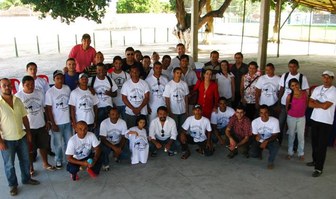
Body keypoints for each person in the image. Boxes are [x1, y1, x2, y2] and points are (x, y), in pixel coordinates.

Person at [0, 78, 40, 196]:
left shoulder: (17, 100)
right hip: (7, 140)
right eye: (4, 85)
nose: (7, 87)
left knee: (25, 160)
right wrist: (0, 141)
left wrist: (28, 132)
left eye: (9, 85)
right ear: (0, 87)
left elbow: (24, 118)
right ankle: (13, 185)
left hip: (21, 137)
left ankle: (26, 179)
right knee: (9, 164)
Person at [16, 76, 56, 174]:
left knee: (43, 146)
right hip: (27, 128)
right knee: (29, 150)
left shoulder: (39, 93)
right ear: (23, 85)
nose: (30, 86)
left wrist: (48, 121)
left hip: (41, 125)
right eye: (27, 85)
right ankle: (31, 168)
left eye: (32, 84)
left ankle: (45, 163)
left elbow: (45, 108)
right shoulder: (18, 96)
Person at [306, 71, 336, 177]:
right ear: (322, 78)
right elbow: (309, 103)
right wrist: (321, 104)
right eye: (324, 77)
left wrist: (316, 103)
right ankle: (315, 160)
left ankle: (319, 168)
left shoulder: (333, 91)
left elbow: (326, 106)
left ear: (332, 79)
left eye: (328, 78)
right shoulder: (317, 89)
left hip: (326, 121)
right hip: (315, 119)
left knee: (322, 145)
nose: (326, 80)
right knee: (314, 143)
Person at [45, 70, 72, 169]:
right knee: (58, 144)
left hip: (67, 121)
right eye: (57, 78)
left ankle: (69, 159)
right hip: (57, 122)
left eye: (61, 78)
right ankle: (58, 160)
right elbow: (48, 109)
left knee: (69, 142)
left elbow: (70, 104)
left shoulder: (67, 88)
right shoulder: (50, 92)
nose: (60, 80)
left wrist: (71, 119)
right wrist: (52, 123)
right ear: (54, 79)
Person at [278, 59, 309, 145]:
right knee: (281, 123)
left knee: (295, 127)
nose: (292, 68)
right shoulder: (285, 75)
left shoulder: (302, 78)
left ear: (298, 67)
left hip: (296, 106)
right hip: (284, 104)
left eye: (294, 67)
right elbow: (281, 89)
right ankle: (278, 141)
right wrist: (279, 101)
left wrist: (304, 106)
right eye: (290, 67)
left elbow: (305, 93)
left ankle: (294, 144)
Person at [91, 62, 118, 136]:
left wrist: (110, 93)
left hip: (109, 108)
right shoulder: (92, 80)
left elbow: (115, 94)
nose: (101, 72)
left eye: (103, 70)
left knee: (109, 129)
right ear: (96, 70)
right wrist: (90, 89)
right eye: (99, 70)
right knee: (98, 128)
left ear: (105, 70)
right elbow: (82, 86)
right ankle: (98, 144)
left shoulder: (109, 80)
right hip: (98, 109)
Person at [250, 105, 280, 169]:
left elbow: (275, 135)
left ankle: (270, 162)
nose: (263, 115)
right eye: (261, 113)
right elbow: (255, 134)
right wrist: (256, 137)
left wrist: (266, 141)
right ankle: (260, 151)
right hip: (260, 140)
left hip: (271, 140)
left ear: (269, 113)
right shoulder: (255, 122)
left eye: (265, 112)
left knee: (275, 147)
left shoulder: (275, 121)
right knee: (252, 154)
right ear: (259, 114)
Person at [285, 78, 307, 161]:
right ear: (290, 87)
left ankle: (301, 153)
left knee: (301, 136)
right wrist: (291, 115)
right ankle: (290, 152)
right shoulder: (289, 96)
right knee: (291, 135)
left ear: (299, 84)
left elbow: (306, 104)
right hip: (291, 118)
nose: (295, 87)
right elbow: (287, 108)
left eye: (296, 84)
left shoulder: (305, 94)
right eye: (292, 86)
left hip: (301, 117)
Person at [163, 67, 189, 133]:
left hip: (183, 110)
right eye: (177, 73)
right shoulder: (169, 85)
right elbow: (167, 99)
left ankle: (182, 140)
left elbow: (186, 97)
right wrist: (169, 111)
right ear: (173, 74)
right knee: (174, 127)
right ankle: (175, 141)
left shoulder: (184, 84)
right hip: (173, 111)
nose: (179, 75)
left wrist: (187, 109)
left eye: (180, 73)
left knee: (182, 127)